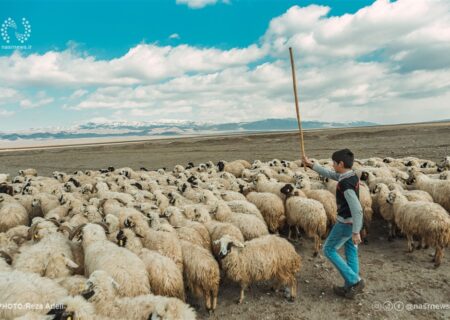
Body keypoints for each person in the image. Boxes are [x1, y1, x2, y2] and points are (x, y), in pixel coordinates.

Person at [302, 148, 365, 299]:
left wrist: (356, 231)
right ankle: (350, 286)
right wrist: (312, 165)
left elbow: (357, 209)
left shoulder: (345, 185)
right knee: (351, 250)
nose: (332, 165)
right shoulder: (351, 175)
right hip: (351, 224)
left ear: (341, 163)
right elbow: (331, 174)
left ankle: (355, 281)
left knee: (329, 249)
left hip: (346, 223)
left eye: (334, 163)